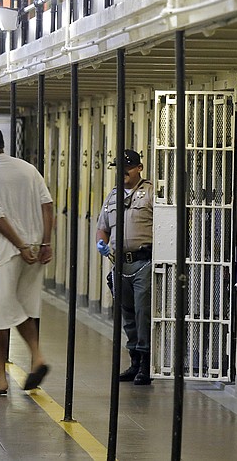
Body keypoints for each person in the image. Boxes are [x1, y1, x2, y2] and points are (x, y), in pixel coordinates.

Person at [0, 125, 54, 395]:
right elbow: (47, 205)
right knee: (26, 306)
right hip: (34, 246)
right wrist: (44, 242)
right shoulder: (28, 169)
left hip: (5, 251)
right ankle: (35, 359)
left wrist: (20, 246)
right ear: (3, 145)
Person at [96, 149, 154, 385]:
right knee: (127, 315)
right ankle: (134, 361)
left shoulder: (151, 193)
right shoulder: (112, 197)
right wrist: (101, 243)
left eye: (128, 169)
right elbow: (103, 226)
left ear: (139, 168)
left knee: (143, 313)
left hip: (144, 262)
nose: (123, 174)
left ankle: (146, 364)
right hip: (120, 264)